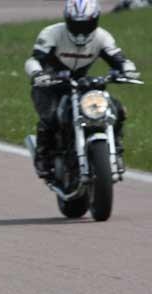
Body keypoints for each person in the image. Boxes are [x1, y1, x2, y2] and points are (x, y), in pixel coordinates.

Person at [24, 0, 140, 179]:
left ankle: (115, 149)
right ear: (67, 20)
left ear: (95, 20)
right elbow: (34, 60)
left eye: (86, 24)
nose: (81, 30)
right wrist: (38, 74)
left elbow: (119, 59)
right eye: (76, 24)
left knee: (115, 109)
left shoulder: (102, 37)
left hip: (80, 84)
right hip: (50, 84)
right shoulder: (52, 33)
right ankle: (43, 156)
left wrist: (127, 70)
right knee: (52, 116)